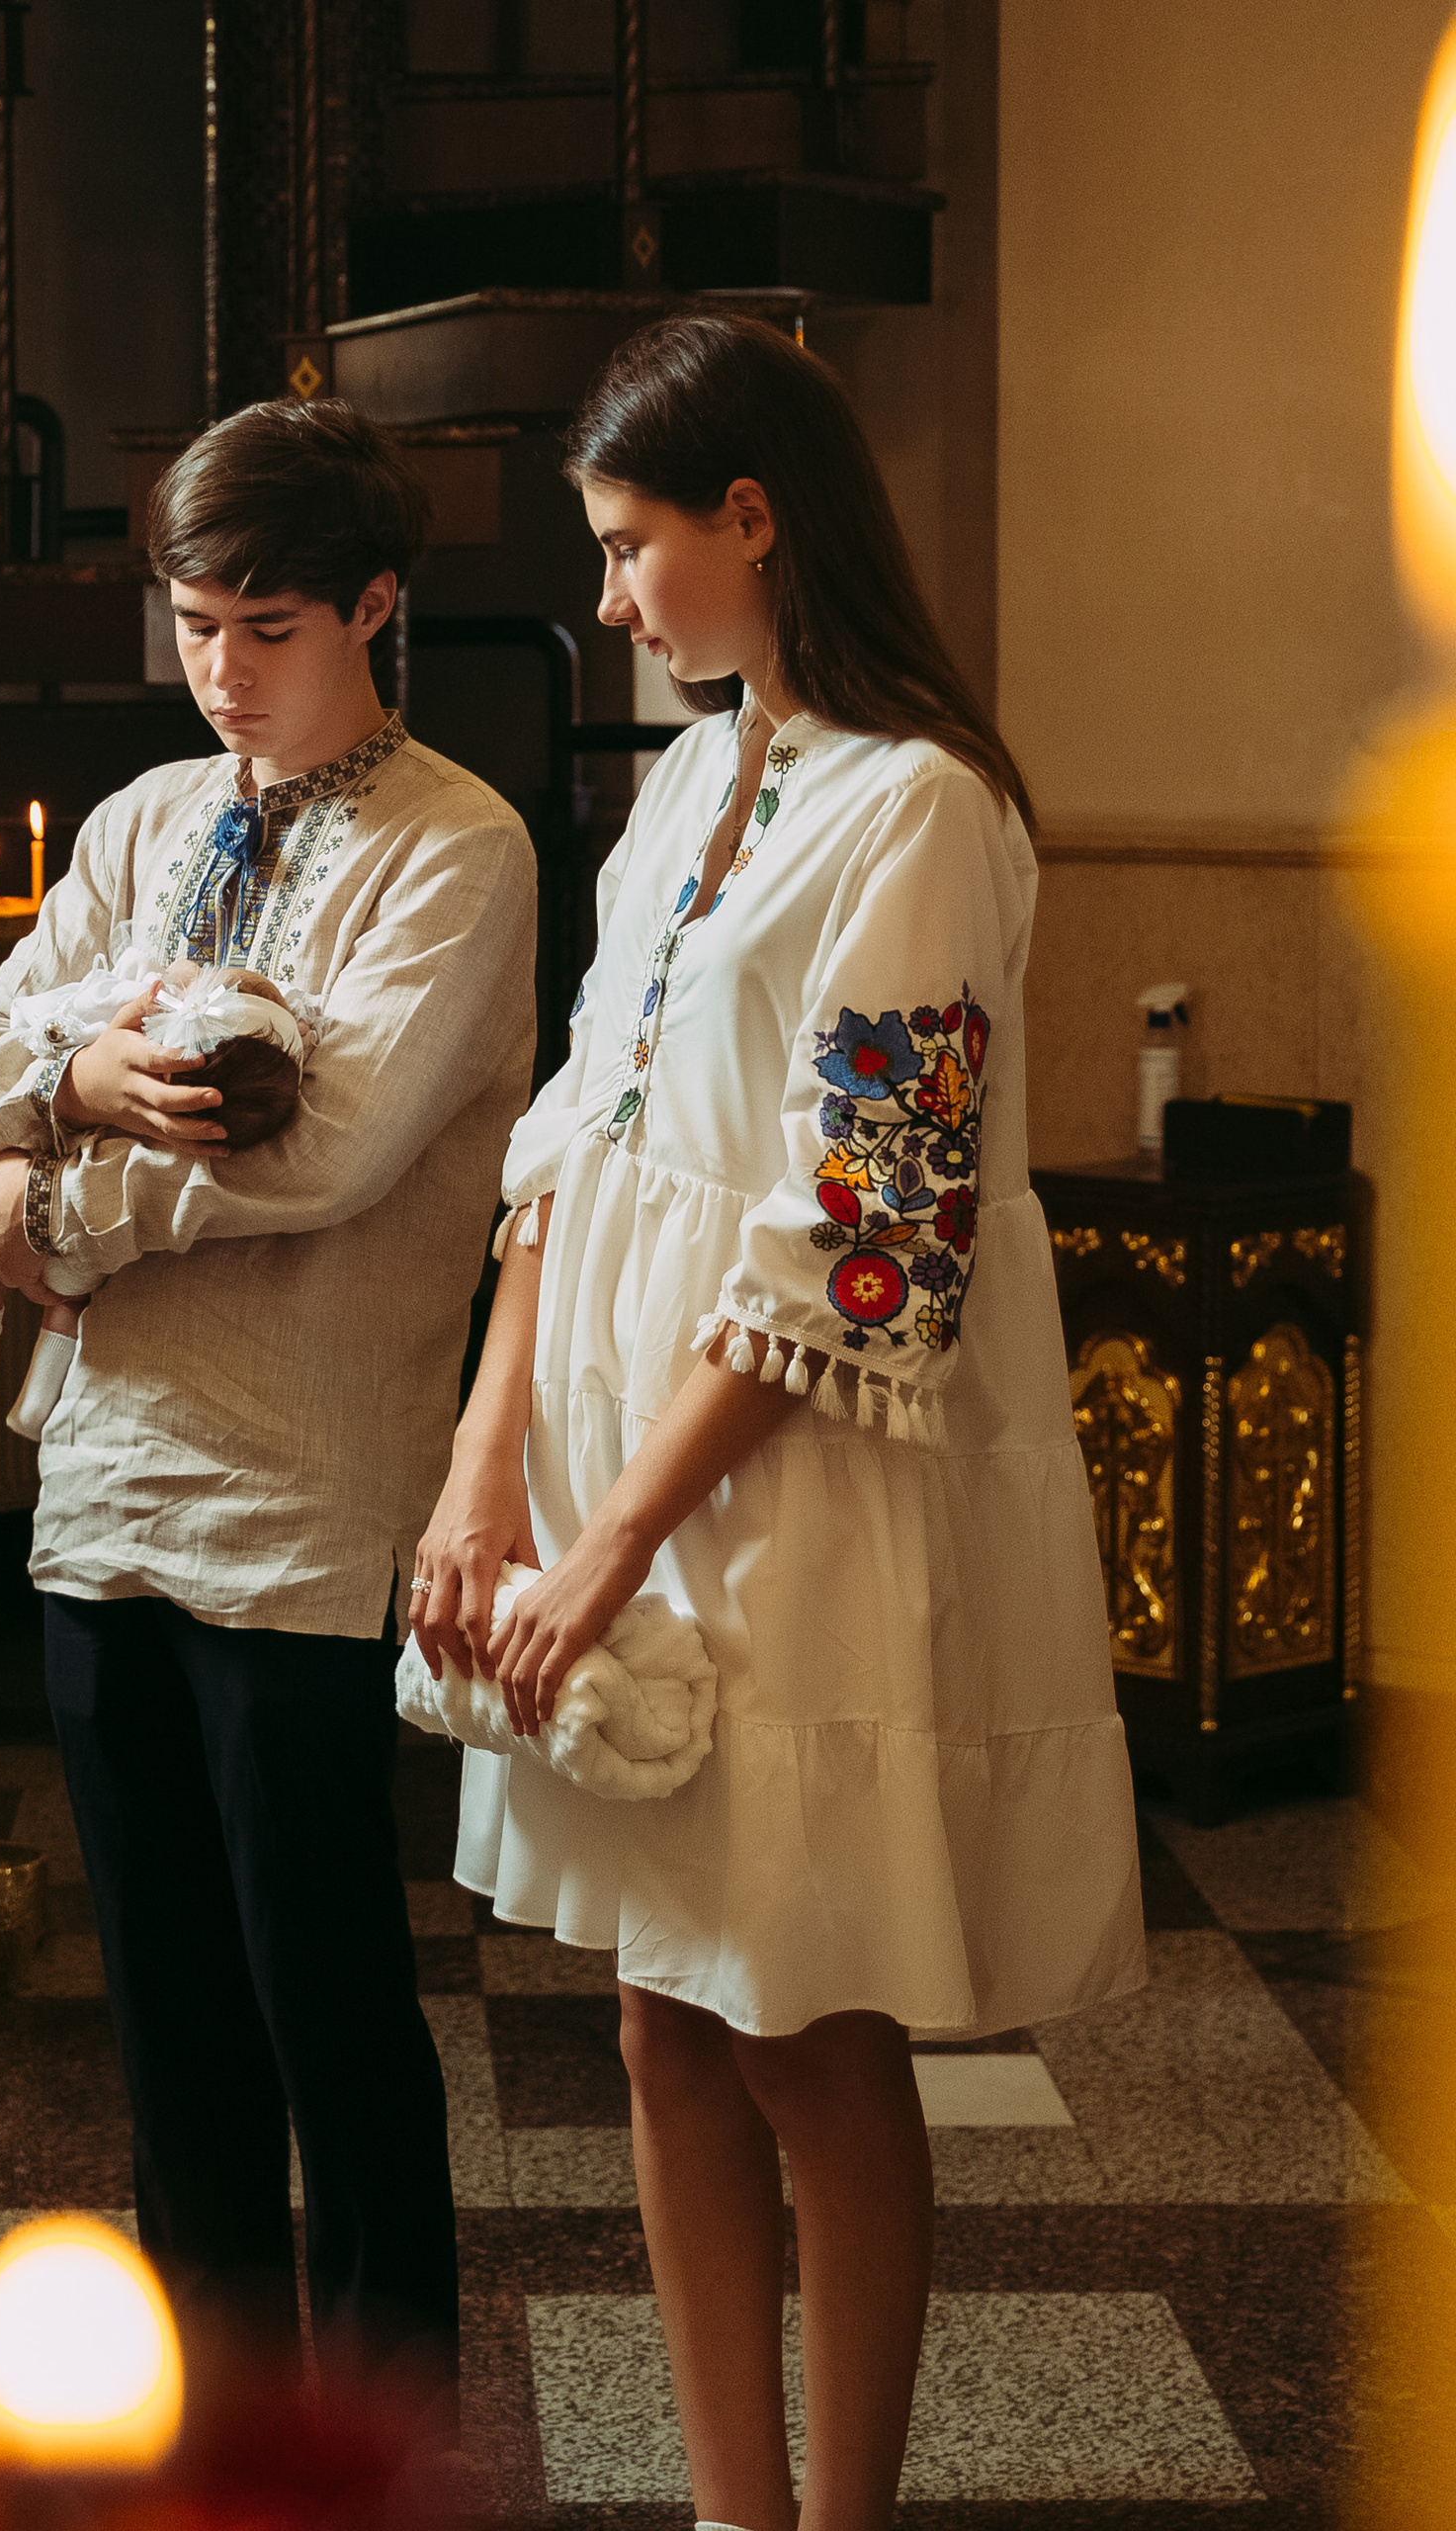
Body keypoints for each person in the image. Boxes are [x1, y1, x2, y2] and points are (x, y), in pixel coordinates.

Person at [411, 312, 1145, 2531]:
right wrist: (483, 1463)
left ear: (755, 514)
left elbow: (873, 1232)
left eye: (633, 549)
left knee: (799, 2022)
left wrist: (618, 1533)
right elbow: (572, 1145)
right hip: (612, 1455)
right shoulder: (673, 790)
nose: (609, 603)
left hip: (792, 1473)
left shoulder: (916, 805)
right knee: (653, 2010)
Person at [0, 397, 537, 2410]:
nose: (222, 669)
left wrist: (50, 1217)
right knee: (166, 2021)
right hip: (98, 1489)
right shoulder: (136, 825)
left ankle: (374, 2435)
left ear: (371, 603)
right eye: (194, 622)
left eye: (265, 625)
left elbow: (314, 1157)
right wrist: (69, 1092)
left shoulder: (455, 843)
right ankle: (202, 2432)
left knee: (326, 2004)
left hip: (294, 1495)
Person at [0, 951, 312, 1440]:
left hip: (50, 1166)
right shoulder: (247, 1085)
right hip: (95, 1246)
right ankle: (34, 1402)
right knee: (69, 1300)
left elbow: (111, 1031)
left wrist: (37, 1174)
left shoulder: (153, 1042)